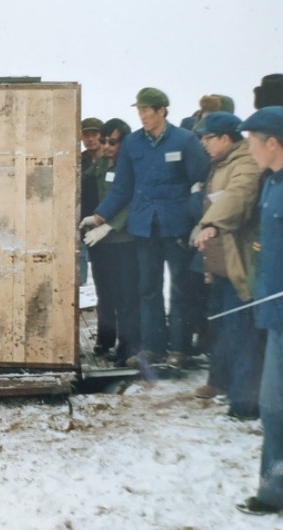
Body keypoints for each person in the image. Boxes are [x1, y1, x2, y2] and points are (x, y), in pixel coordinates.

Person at [81, 87, 210, 370]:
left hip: (176, 226)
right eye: (139, 110)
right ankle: (152, 348)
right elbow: (122, 187)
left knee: (179, 289)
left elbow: (201, 182)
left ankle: (179, 348)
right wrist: (99, 217)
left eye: (146, 110)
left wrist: (198, 220)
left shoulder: (185, 140)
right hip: (144, 227)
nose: (141, 116)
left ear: (162, 110)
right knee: (147, 289)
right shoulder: (133, 144)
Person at [190, 111, 264, 419]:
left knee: (240, 331)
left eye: (208, 138)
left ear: (225, 138)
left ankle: (244, 402)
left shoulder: (245, 162)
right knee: (219, 326)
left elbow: (237, 196)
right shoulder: (220, 163)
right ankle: (219, 381)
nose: (203, 143)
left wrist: (210, 223)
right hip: (219, 263)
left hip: (239, 264)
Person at [235, 106, 283, 516]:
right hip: (275, 315)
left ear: (272, 142)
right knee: (273, 408)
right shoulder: (271, 183)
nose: (248, 149)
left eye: (251, 141)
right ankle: (273, 493)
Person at [80, 119, 139, 366]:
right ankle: (106, 340)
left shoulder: (131, 165)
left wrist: (109, 225)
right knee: (105, 293)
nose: (106, 146)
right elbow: (81, 179)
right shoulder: (102, 164)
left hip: (123, 240)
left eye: (112, 142)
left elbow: (131, 201)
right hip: (100, 242)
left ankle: (128, 347)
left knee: (126, 295)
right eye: (103, 141)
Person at [79, 117, 104, 285]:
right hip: (84, 219)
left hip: (105, 220)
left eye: (94, 134)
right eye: (86, 135)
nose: (90, 139)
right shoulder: (78, 160)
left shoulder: (111, 159)